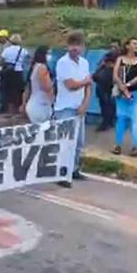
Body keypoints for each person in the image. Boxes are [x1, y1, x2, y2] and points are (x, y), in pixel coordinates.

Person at [54, 30, 92, 186]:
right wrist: (85, 81)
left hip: (79, 107)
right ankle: (62, 173)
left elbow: (88, 86)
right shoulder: (63, 63)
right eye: (72, 45)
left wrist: (85, 104)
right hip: (65, 108)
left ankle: (74, 169)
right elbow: (70, 85)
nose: (74, 48)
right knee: (66, 143)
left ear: (82, 46)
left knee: (79, 142)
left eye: (78, 45)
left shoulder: (84, 63)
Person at [112, 37, 137, 157]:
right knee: (121, 119)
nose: (136, 46)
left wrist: (128, 85)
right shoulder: (120, 59)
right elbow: (115, 75)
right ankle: (117, 145)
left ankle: (135, 147)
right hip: (122, 94)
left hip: (136, 93)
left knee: (134, 120)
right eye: (134, 43)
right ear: (127, 46)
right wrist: (122, 87)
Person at [22, 46, 54, 123]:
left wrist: (24, 103)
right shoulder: (42, 68)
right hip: (41, 105)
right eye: (48, 53)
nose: (50, 56)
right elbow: (47, 87)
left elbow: (28, 88)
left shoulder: (34, 67)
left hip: (34, 104)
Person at [92, 41, 120, 131]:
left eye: (115, 47)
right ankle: (107, 122)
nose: (112, 49)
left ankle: (108, 122)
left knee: (110, 103)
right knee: (104, 103)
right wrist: (103, 64)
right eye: (111, 46)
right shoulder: (106, 56)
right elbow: (98, 67)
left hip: (113, 83)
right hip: (103, 84)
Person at [0, 33, 28, 115]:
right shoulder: (23, 50)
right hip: (18, 71)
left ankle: (9, 111)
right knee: (18, 91)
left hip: (8, 72)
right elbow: (26, 60)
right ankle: (17, 110)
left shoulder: (7, 50)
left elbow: (1, 60)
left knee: (8, 91)